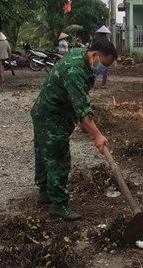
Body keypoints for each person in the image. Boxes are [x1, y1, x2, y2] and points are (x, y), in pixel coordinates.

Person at [30, 38, 118, 220]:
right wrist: (97, 135)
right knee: (58, 158)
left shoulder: (81, 55)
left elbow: (79, 101)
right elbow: (82, 110)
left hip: (46, 112)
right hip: (52, 116)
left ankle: (45, 194)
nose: (104, 69)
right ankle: (59, 205)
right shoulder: (75, 70)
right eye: (105, 64)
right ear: (94, 55)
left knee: (44, 152)